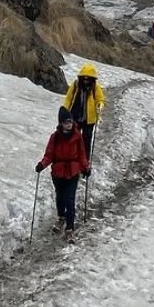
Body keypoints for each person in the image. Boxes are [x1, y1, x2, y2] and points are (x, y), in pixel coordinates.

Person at [36, 106, 90, 237]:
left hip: (73, 171)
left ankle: (70, 227)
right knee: (60, 197)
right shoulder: (55, 137)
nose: (69, 124)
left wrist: (86, 167)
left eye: (70, 121)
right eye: (66, 122)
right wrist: (42, 165)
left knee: (70, 199)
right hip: (58, 173)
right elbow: (49, 155)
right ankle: (61, 217)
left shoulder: (77, 136)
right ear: (61, 123)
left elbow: (82, 154)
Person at [62, 63, 105, 159]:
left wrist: (100, 105)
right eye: (84, 78)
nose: (85, 81)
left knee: (86, 141)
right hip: (75, 117)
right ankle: (72, 158)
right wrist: (65, 110)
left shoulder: (95, 87)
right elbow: (68, 98)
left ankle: (85, 161)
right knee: (73, 139)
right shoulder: (76, 85)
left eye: (88, 79)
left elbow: (100, 99)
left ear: (92, 79)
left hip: (89, 120)